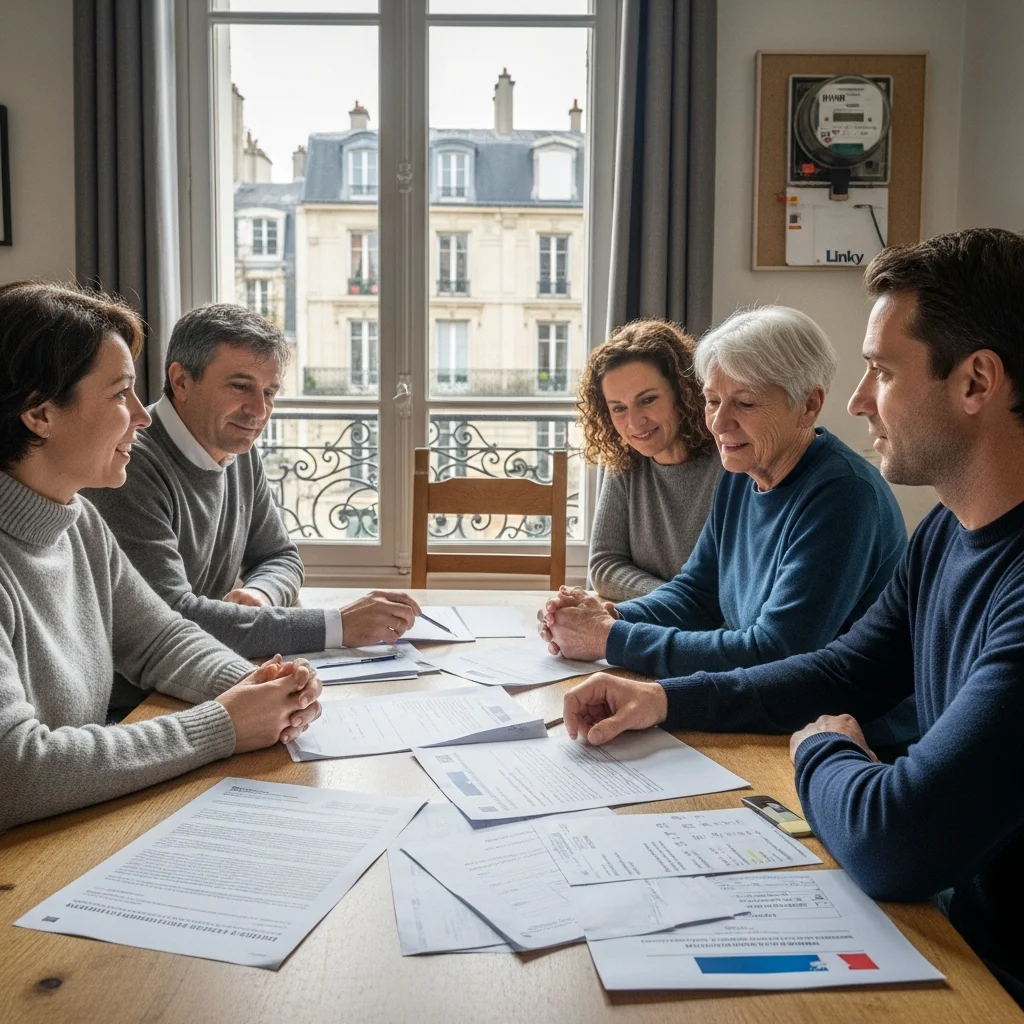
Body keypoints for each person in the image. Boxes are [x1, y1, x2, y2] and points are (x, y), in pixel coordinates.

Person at [559, 228, 1024, 1007]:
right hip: (948, 931)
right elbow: (843, 670)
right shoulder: (947, 531)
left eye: (880, 370)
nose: (857, 400)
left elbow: (895, 839)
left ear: (976, 381)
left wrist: (822, 749)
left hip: (993, 974)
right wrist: (664, 698)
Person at [0, 281, 322, 835]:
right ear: (40, 413)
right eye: (120, 393)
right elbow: (15, 772)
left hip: (62, 828)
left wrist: (262, 683)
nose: (142, 416)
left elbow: (160, 639)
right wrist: (222, 724)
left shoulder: (78, 523)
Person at [539, 307, 906, 705]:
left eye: (745, 403)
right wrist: (611, 615)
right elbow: (696, 593)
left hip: (848, 732)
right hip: (763, 710)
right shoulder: (743, 470)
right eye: (713, 401)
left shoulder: (842, 495)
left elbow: (774, 653)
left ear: (808, 405)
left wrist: (610, 636)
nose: (719, 423)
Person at [85, 304, 420, 682]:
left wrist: (260, 596)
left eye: (270, 392)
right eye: (240, 386)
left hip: (203, 671)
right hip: (140, 699)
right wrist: (338, 625)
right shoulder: (128, 465)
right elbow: (174, 620)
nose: (259, 410)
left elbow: (280, 555)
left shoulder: (235, 448)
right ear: (180, 381)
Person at [582, 319, 722, 602]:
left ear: (684, 393)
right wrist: (679, 601)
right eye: (619, 408)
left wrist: (682, 606)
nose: (634, 423)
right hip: (657, 619)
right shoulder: (625, 460)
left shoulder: (729, 459)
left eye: (647, 400)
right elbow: (605, 565)